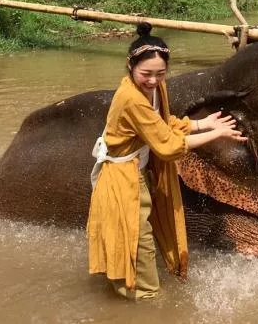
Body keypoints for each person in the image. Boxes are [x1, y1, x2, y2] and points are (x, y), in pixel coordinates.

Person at [87, 22, 247, 301]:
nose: (153, 80)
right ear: (130, 66)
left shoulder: (154, 90)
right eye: (146, 74)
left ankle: (126, 294)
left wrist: (201, 124)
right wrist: (216, 133)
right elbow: (169, 146)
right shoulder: (131, 98)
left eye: (160, 74)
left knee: (136, 242)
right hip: (122, 178)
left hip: (138, 171)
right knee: (139, 246)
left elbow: (163, 123)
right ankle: (148, 304)